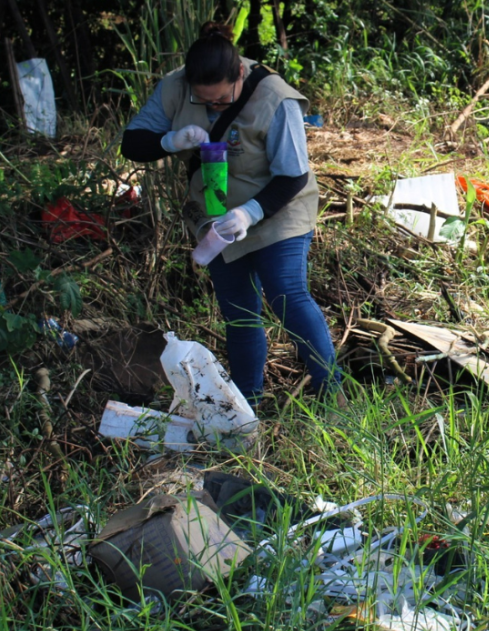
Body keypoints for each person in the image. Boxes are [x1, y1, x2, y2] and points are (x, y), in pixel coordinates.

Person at [120, 22, 341, 408]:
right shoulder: (175, 87)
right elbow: (131, 144)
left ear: (239, 74)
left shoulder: (276, 98)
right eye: (203, 101)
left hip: (278, 208)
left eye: (221, 102)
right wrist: (167, 141)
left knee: (286, 293)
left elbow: (293, 175)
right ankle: (244, 407)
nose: (211, 109)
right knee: (238, 310)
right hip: (216, 215)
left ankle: (331, 393)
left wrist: (250, 212)